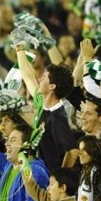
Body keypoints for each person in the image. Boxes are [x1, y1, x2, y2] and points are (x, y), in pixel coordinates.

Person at [16, 45, 79, 173]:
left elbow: (73, 151)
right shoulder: (42, 104)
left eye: (45, 77)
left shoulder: (58, 117)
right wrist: (20, 48)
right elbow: (28, 77)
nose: (40, 78)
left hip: (50, 180)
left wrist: (59, 178)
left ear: (52, 86)